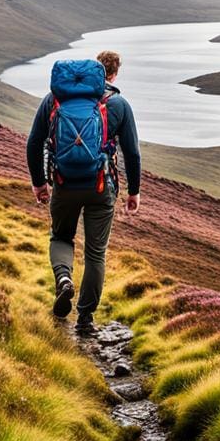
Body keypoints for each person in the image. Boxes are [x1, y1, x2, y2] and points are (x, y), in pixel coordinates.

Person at [26, 50, 141, 336]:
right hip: (101, 187)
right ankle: (85, 318)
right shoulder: (118, 105)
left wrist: (40, 183)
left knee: (61, 237)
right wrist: (133, 192)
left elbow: (33, 143)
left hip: (64, 184)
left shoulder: (53, 100)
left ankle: (64, 278)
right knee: (95, 253)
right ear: (111, 75)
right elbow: (133, 153)